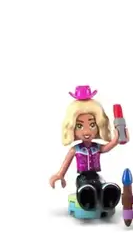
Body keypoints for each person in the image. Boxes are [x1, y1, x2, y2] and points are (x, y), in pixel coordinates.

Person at [49, 85, 122, 213]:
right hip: (82, 178)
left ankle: (108, 199)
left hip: (96, 176)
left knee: (103, 185)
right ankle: (87, 200)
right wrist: (60, 175)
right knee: (86, 188)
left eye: (92, 124)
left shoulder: (96, 147)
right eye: (79, 126)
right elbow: (66, 163)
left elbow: (107, 148)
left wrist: (116, 139)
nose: (87, 131)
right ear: (71, 127)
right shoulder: (75, 149)